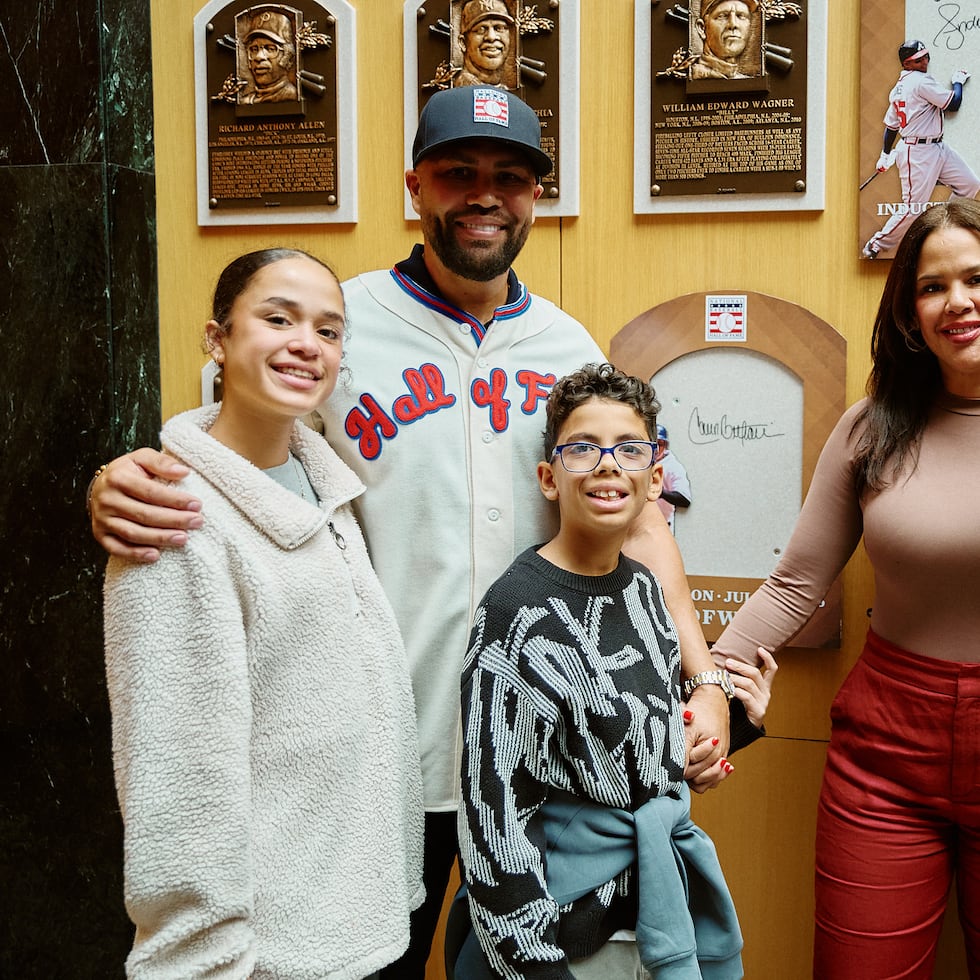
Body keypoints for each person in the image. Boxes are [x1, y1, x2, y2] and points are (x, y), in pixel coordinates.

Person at [89, 87, 733, 977]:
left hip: (541, 762)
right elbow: (231, 457)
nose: (483, 194)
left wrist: (703, 681)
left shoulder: (567, 344)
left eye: (509, 177)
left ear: (535, 198)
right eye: (457, 171)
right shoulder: (335, 325)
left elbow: (643, 523)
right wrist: (116, 477)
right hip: (390, 758)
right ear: (415, 186)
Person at [102, 249, 424, 979]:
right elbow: (178, 780)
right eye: (277, 319)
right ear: (217, 338)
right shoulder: (174, 519)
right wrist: (205, 961)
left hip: (359, 921)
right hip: (271, 955)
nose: (306, 343)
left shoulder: (326, 487)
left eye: (329, 330)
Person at [712, 199, 980, 977]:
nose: (956, 302)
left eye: (975, 278)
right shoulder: (874, 426)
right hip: (888, 755)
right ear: (908, 312)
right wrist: (704, 688)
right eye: (932, 287)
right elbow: (795, 585)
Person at [454, 364, 761, 979]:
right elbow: (492, 815)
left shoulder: (644, 589)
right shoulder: (515, 614)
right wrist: (537, 967)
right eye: (582, 448)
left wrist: (727, 728)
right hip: (564, 934)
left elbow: (632, 743)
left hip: (650, 910)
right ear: (548, 477)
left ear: (654, 477)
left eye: (628, 448)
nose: (607, 463)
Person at [862, 40, 978, 260]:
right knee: (913, 207)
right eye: (918, 59)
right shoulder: (919, 81)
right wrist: (958, 82)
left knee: (969, 184)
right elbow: (953, 103)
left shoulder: (899, 88)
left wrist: (886, 155)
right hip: (918, 151)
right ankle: (876, 244)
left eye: (925, 56)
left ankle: (944, 227)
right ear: (907, 63)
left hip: (936, 147)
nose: (924, 61)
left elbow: (891, 127)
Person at [239, 9, 299, 104]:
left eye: (270, 49)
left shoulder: (292, 95)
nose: (259, 57)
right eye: (254, 49)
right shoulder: (245, 101)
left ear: (288, 57)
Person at [691, 0, 759, 81]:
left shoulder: (746, 80)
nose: (733, 24)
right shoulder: (695, 73)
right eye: (722, 16)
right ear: (702, 28)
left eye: (741, 16)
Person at [456, 0, 515, 89]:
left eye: (499, 28)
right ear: (463, 42)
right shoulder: (461, 89)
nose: (491, 37)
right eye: (481, 29)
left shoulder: (503, 89)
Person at [655, 423, 692, 532]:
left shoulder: (672, 466)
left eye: (660, 444)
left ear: (665, 445)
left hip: (662, 527)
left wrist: (661, 492)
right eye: (653, 444)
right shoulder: (640, 461)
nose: (656, 448)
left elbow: (685, 500)